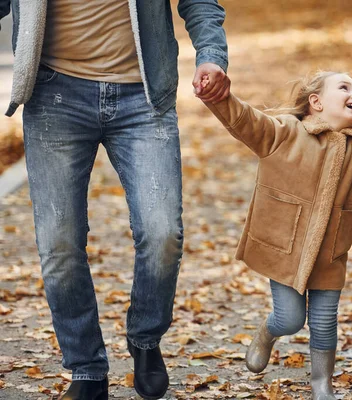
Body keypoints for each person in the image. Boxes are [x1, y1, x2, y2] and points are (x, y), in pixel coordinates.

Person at [0, 1, 230, 399]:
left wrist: (210, 56)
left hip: (143, 95)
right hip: (55, 94)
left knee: (162, 233)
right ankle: (86, 369)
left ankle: (144, 338)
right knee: (59, 242)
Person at [201, 71, 352, 399]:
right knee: (290, 318)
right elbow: (247, 121)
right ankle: (268, 331)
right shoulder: (286, 133)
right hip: (287, 248)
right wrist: (219, 96)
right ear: (316, 103)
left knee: (323, 322)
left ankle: (322, 384)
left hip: (330, 252)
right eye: (344, 87)